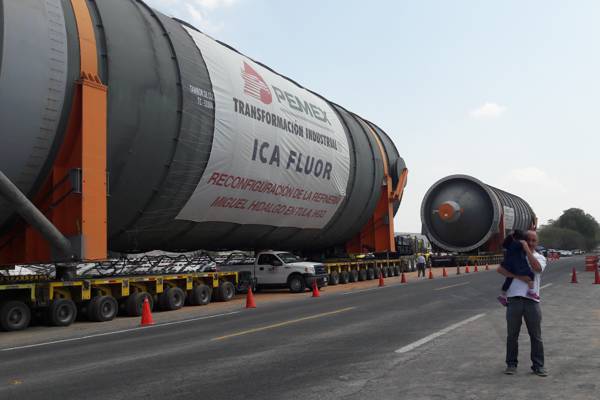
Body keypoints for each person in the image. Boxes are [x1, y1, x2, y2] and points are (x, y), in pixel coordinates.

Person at [497, 230, 548, 377]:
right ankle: (511, 364)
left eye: (533, 241)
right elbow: (501, 269)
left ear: (536, 243)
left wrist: (527, 250)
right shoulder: (515, 254)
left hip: (532, 301)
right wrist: (521, 277)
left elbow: (537, 269)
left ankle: (538, 366)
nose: (531, 242)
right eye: (528, 240)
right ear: (523, 240)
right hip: (514, 300)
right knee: (512, 335)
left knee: (536, 335)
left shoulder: (539, 257)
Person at [497, 230, 538, 306]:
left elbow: (504, 244)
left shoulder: (509, 244)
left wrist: (510, 236)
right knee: (531, 274)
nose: (529, 243)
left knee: (509, 279)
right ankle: (531, 291)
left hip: (507, 265)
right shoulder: (520, 243)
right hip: (516, 265)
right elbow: (525, 250)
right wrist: (525, 245)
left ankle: (503, 295)